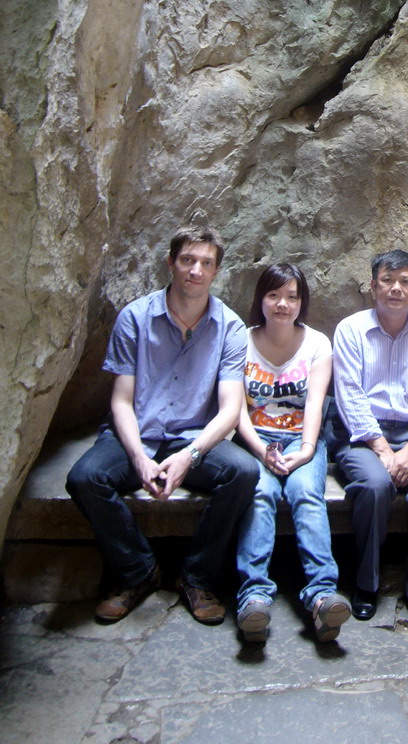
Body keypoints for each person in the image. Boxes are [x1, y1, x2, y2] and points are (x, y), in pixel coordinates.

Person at [66, 225, 260, 624]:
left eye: (206, 263)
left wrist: (189, 456)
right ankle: (138, 571)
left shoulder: (230, 327)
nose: (195, 270)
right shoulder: (135, 318)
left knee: (242, 472)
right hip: (138, 432)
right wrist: (138, 459)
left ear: (216, 271)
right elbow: (120, 400)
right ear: (171, 263)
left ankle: (196, 577)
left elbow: (228, 411)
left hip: (194, 436)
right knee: (85, 477)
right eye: (188, 260)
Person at [331, 249, 408, 627]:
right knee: (373, 484)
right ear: (373, 286)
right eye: (387, 280)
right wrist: (385, 451)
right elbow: (349, 397)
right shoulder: (351, 331)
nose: (395, 289)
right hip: (362, 436)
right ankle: (365, 584)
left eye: (404, 281)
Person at [234, 262, 350, 644]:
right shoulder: (241, 340)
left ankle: (321, 595)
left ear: (302, 302)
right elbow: (236, 410)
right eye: (274, 295)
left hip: (303, 438)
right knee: (261, 493)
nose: (282, 304)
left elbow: (316, 403)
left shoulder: (317, 344)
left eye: (291, 297)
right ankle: (253, 596)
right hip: (256, 438)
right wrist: (261, 450)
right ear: (261, 299)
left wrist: (304, 450)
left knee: (305, 493)